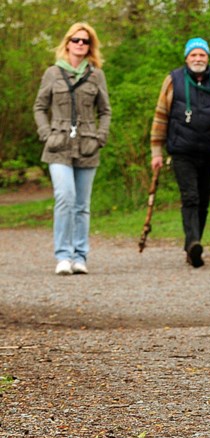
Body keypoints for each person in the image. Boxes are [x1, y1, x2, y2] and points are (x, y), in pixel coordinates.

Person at [150, 37, 210, 268]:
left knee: (204, 201)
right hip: (182, 151)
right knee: (190, 197)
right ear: (186, 58)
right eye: (193, 55)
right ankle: (193, 243)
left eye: (202, 55)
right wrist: (156, 151)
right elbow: (160, 116)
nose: (198, 59)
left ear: (208, 58)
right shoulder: (173, 80)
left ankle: (193, 247)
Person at [33, 22, 111, 275]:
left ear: (90, 46)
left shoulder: (96, 74)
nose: (80, 44)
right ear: (67, 43)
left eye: (85, 41)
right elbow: (39, 107)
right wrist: (46, 133)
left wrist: (100, 137)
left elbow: (105, 110)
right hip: (58, 145)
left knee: (82, 204)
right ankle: (63, 256)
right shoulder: (52, 73)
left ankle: (80, 256)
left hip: (88, 145)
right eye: (76, 40)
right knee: (65, 197)